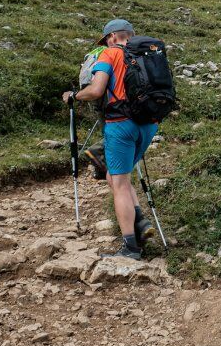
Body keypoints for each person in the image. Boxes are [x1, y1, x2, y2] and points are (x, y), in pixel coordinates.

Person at [62, 19, 156, 260]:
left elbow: (96, 90)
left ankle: (130, 248)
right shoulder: (147, 53)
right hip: (149, 124)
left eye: (105, 40)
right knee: (114, 176)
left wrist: (74, 95)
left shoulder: (109, 53)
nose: (105, 44)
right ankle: (142, 223)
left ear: (112, 37)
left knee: (120, 182)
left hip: (120, 124)